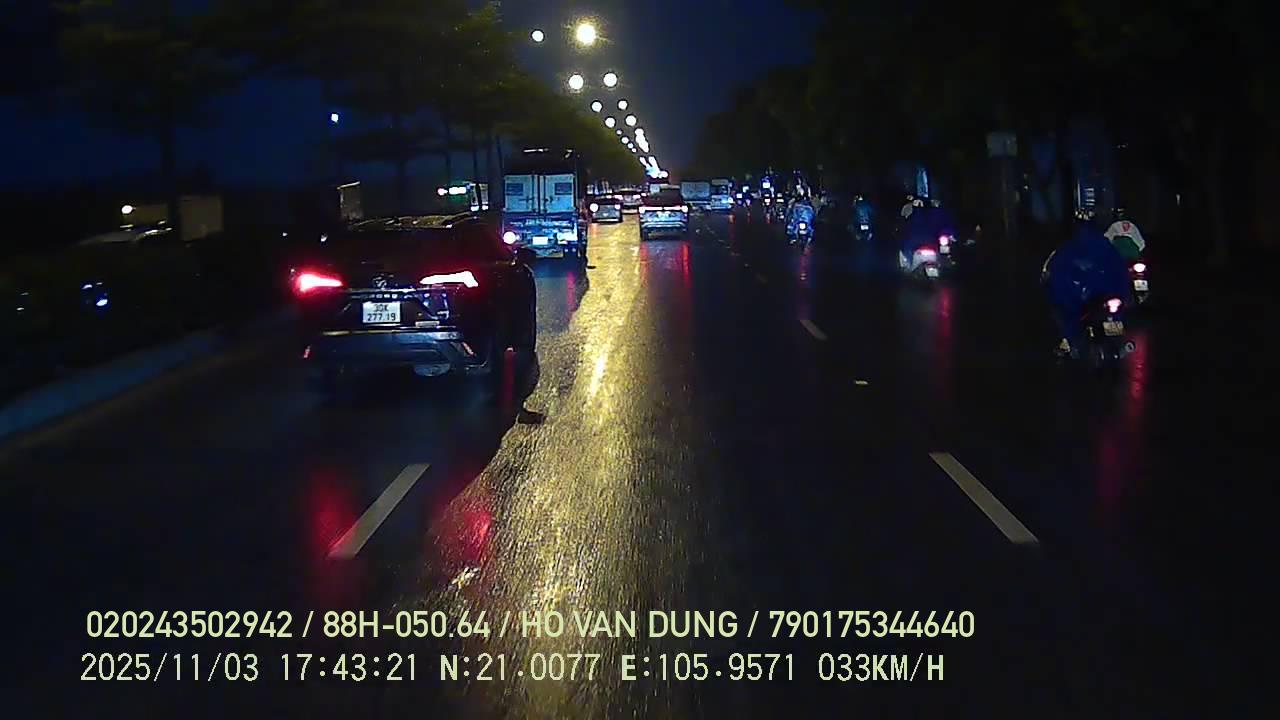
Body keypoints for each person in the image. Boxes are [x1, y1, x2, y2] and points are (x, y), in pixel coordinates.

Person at [1042, 207, 1133, 357]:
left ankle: (1068, 341)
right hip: (1106, 293)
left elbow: (1056, 272)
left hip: (1083, 297)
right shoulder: (1106, 245)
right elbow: (1120, 270)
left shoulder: (1070, 247)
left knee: (1063, 311)